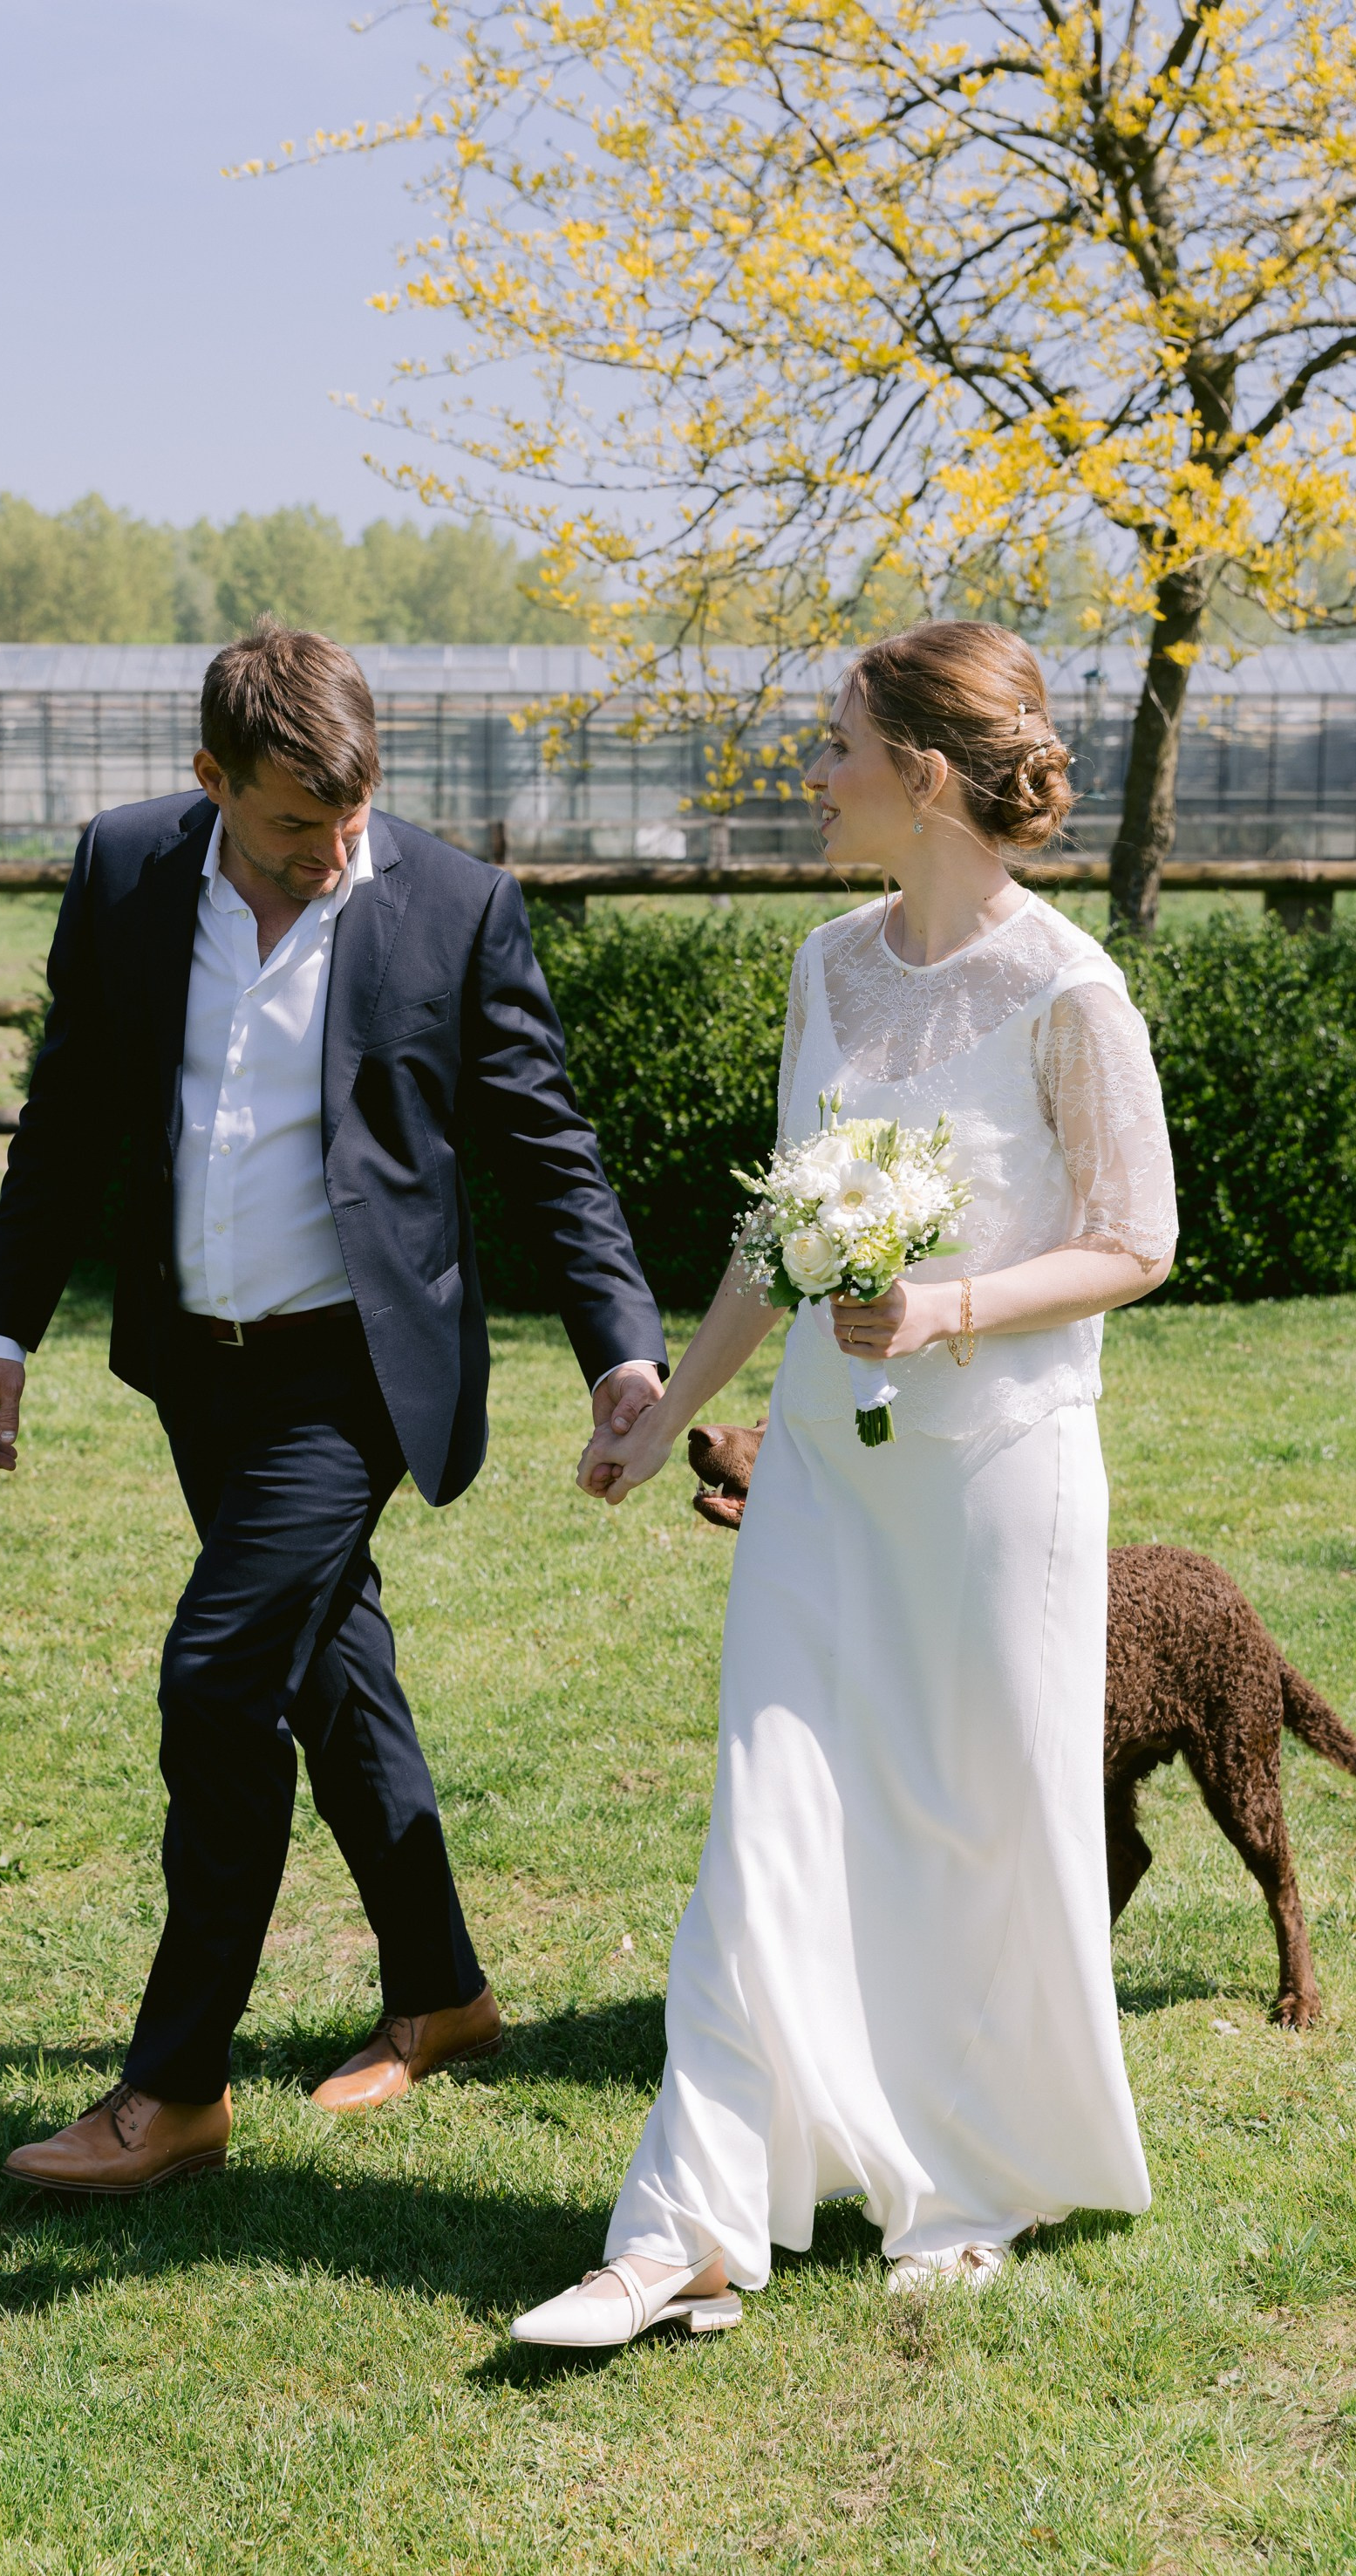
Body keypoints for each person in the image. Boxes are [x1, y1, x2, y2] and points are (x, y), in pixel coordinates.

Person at [513, 621, 1178, 2346]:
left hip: (995, 1476)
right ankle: (687, 2227)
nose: (814, 774)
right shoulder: (827, 967)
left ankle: (972, 2175)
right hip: (820, 1466)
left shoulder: (1067, 990)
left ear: (924, 777)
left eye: (836, 746)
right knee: (766, 1813)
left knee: (977, 1820)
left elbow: (1136, 1238)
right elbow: (779, 1231)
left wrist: (946, 1305)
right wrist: (665, 1411)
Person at [0, 624, 666, 2195]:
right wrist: (1, 1320)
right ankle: (446, 1992)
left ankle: (174, 2087)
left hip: (356, 1374)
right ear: (210, 782)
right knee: (331, 1668)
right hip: (195, 1362)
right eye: (293, 821)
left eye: (353, 814)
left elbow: (546, 1142)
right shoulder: (127, 868)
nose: (333, 848)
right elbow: (68, 1109)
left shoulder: (456, 904)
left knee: (219, 1680)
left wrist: (621, 1344)